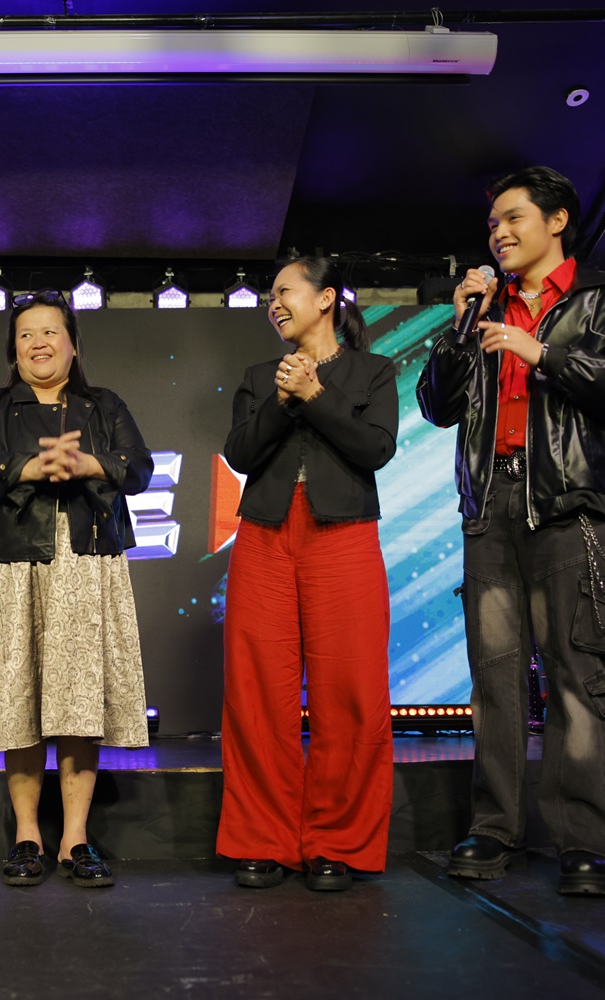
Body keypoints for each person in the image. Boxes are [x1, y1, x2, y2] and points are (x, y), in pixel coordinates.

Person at [416, 167, 605, 897]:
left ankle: (584, 841)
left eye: (513, 218)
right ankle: (494, 828)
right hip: (491, 506)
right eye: (492, 224)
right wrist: (458, 327)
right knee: (494, 679)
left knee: (576, 674)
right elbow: (437, 406)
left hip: (572, 505)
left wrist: (545, 355)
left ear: (557, 221)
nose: (498, 233)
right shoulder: (485, 305)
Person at [0, 289, 152, 889]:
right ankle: (26, 836)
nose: (38, 343)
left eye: (49, 332)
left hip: (86, 562)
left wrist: (93, 464)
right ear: (13, 350)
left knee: (77, 702)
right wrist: (25, 467)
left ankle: (75, 838)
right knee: (19, 700)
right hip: (16, 560)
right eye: (25, 334)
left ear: (73, 345)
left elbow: (139, 468)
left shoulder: (103, 405)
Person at [218, 257, 399, 892]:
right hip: (265, 537)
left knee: (349, 691)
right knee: (257, 692)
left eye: (284, 291)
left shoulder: (373, 370)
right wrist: (282, 398)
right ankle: (262, 838)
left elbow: (375, 448)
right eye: (269, 295)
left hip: (342, 536)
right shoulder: (258, 377)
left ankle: (337, 842)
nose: (274, 303)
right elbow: (240, 452)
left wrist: (316, 395)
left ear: (325, 299)